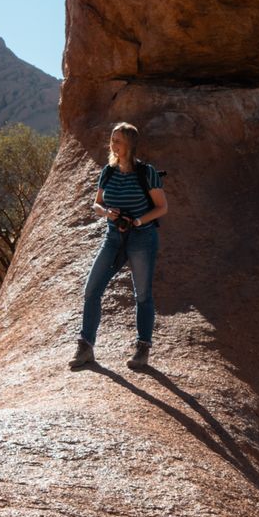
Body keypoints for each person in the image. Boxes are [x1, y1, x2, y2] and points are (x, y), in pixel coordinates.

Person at [73, 122, 167, 367]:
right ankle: (85, 348)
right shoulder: (108, 171)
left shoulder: (147, 172)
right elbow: (96, 203)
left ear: (130, 145)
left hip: (142, 239)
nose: (113, 145)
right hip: (113, 238)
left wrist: (137, 219)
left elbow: (162, 207)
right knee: (92, 289)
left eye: (118, 141)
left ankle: (142, 349)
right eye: (112, 140)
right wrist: (106, 212)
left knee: (143, 295)